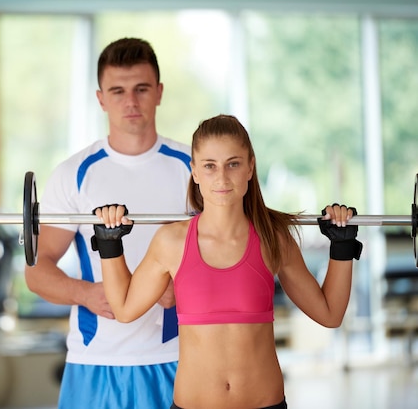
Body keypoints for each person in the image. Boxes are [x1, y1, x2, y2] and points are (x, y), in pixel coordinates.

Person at [92, 114, 363, 409]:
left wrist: (342, 247)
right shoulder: (171, 242)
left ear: (250, 167)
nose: (221, 178)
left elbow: (330, 314)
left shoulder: (274, 238)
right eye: (210, 166)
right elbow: (125, 309)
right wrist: (110, 245)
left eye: (233, 164)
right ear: (194, 171)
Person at [24, 37, 192, 408]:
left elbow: (225, 253)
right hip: (95, 361)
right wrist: (85, 293)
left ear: (159, 92)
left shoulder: (194, 168)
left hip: (178, 359)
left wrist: (181, 286)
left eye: (141, 89)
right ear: (101, 98)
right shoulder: (74, 174)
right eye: (117, 91)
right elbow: (37, 271)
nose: (130, 102)